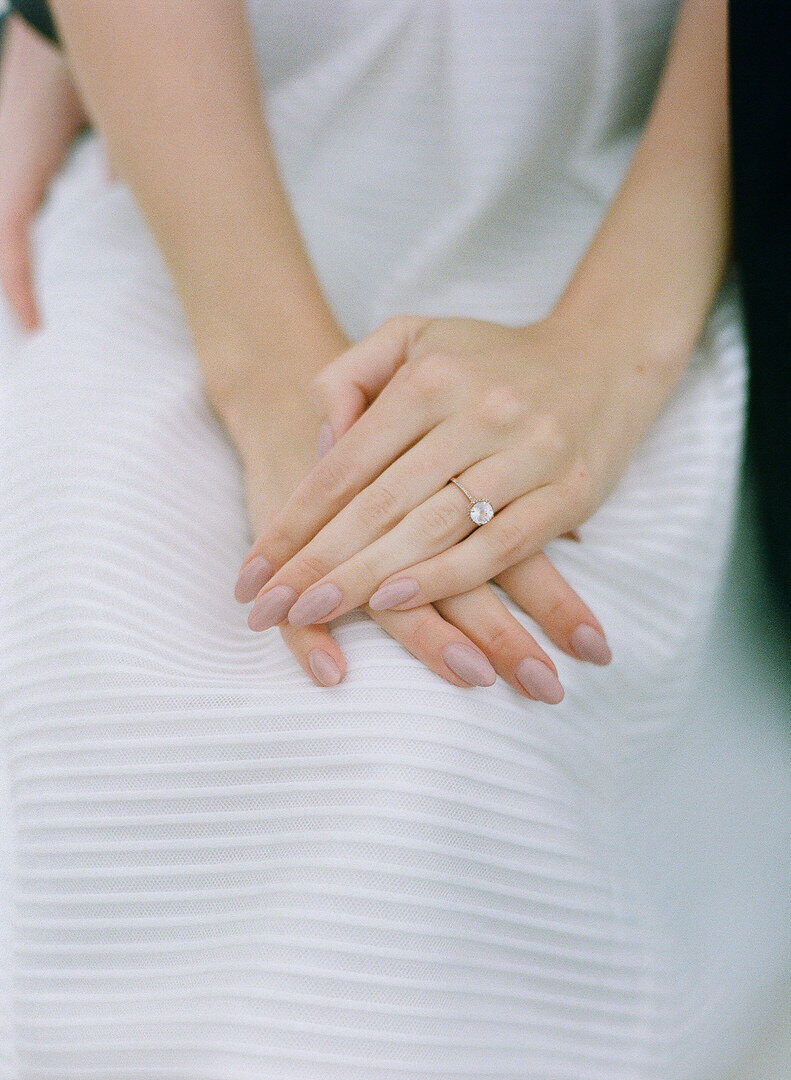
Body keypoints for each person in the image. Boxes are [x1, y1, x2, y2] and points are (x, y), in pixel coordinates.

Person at [0, 1, 767, 1076]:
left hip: (674, 158)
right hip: (204, 141)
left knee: (457, 759)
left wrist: (613, 347)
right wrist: (276, 381)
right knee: (128, 729)